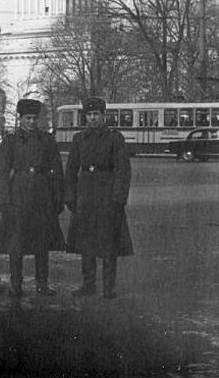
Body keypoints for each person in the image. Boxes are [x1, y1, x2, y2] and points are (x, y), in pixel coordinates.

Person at [65, 96, 133, 299]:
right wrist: (70, 196)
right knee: (86, 241)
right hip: (85, 194)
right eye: (89, 115)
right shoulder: (79, 139)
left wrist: (119, 198)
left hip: (107, 195)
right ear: (85, 116)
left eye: (96, 114)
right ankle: (88, 284)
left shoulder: (115, 138)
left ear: (104, 116)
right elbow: (70, 170)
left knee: (108, 242)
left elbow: (123, 169)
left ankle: (108, 286)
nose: (93, 118)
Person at [0, 98, 65, 297]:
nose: (32, 122)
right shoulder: (10, 141)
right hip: (18, 194)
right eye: (28, 118)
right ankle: (16, 283)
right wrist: (4, 201)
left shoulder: (47, 140)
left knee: (42, 241)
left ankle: (42, 283)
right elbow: (1, 174)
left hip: (42, 194)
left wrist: (58, 197)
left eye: (35, 118)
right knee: (16, 242)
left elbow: (58, 170)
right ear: (20, 119)